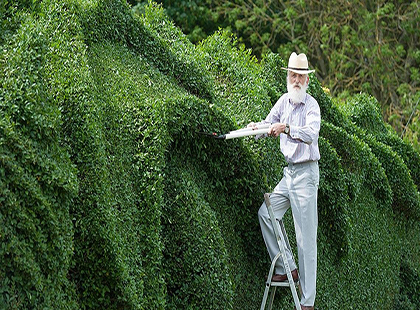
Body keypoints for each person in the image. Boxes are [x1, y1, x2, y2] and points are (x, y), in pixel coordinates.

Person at [248, 52, 320, 310]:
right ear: (288, 77)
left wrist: (287, 128)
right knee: (267, 213)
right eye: (293, 75)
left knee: (305, 239)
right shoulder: (283, 101)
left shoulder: (312, 106)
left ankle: (307, 302)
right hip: (289, 174)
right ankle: (286, 266)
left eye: (301, 76)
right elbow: (270, 123)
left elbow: (310, 135)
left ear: (307, 80)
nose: (296, 80)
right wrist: (256, 128)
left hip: (306, 174)